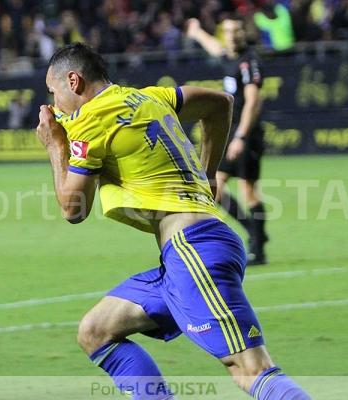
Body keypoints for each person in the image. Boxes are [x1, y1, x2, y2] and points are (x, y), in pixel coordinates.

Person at [36, 43, 309, 400]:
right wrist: (207, 174)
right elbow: (220, 104)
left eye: (53, 93)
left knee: (251, 371)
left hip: (194, 250)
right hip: (188, 252)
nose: (54, 105)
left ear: (73, 81)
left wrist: (55, 145)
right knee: (95, 331)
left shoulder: (91, 118)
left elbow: (73, 209)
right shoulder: (149, 98)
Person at [186, 16, 269, 265]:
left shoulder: (249, 61)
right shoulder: (229, 57)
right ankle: (255, 234)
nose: (233, 35)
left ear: (244, 32)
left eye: (237, 30)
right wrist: (197, 31)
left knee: (248, 190)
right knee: (215, 188)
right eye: (229, 31)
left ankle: (259, 247)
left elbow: (253, 101)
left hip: (246, 133)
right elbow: (215, 47)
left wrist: (241, 136)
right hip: (230, 132)